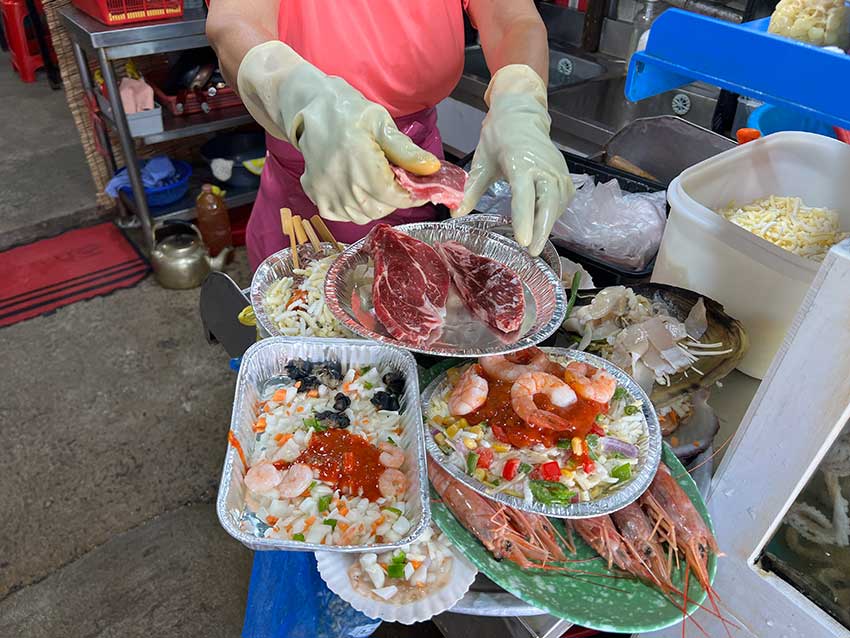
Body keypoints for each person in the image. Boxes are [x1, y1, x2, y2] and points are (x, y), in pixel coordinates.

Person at [207, 0, 575, 271]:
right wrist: (301, 96)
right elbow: (233, 23)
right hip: (315, 176)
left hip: (422, 173)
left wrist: (520, 98)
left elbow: (512, 17)